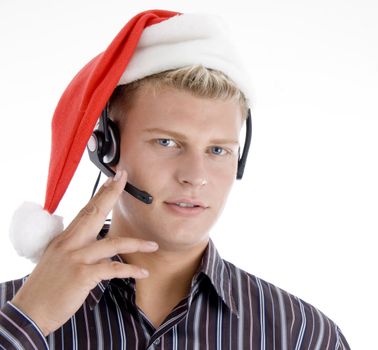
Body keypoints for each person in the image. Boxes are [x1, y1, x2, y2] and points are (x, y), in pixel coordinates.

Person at [0, 9, 350, 349]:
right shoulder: (12, 310)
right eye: (167, 142)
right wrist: (29, 320)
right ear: (107, 150)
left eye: (218, 150)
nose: (195, 177)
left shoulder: (304, 336)